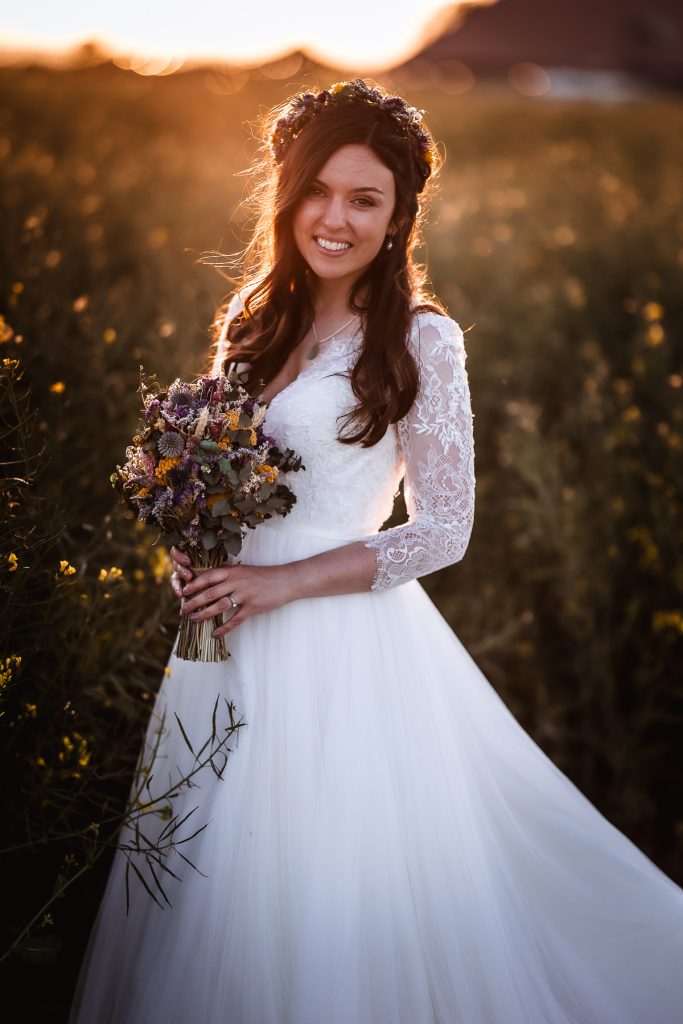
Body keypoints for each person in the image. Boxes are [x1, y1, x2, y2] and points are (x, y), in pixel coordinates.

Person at [69, 80, 683, 1024]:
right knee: (213, 881)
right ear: (286, 191)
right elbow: (215, 470)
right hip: (223, 643)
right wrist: (185, 549)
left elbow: (445, 528)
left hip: (340, 651)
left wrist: (284, 582)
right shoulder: (250, 321)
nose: (335, 218)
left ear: (399, 218)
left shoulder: (421, 340)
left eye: (366, 200)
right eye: (319, 190)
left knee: (322, 887)